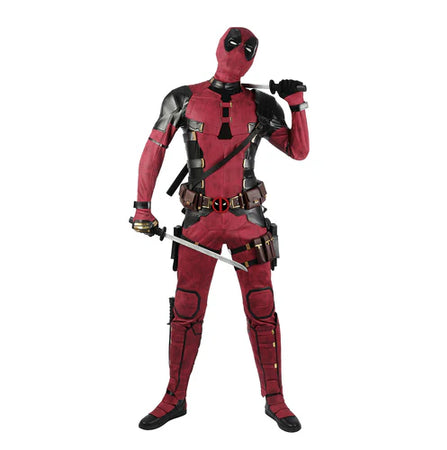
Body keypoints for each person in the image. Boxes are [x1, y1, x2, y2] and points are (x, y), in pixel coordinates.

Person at [131, 27, 309, 432]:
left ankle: (276, 399)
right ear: (217, 46)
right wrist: (142, 207)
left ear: (254, 59)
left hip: (249, 222)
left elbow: (298, 151)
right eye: (233, 43)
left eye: (248, 48)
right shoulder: (182, 98)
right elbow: (153, 150)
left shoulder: (262, 103)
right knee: (186, 310)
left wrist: (297, 105)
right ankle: (174, 397)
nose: (239, 51)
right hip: (200, 222)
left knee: (262, 309)